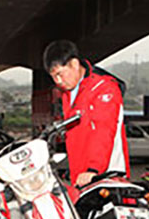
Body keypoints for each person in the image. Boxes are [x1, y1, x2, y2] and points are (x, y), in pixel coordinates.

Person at [43, 39, 129, 187]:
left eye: (60, 74)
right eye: (54, 77)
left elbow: (103, 130)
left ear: (74, 64)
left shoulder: (104, 88)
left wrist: (93, 169)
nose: (58, 81)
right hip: (81, 176)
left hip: (105, 175)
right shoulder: (67, 94)